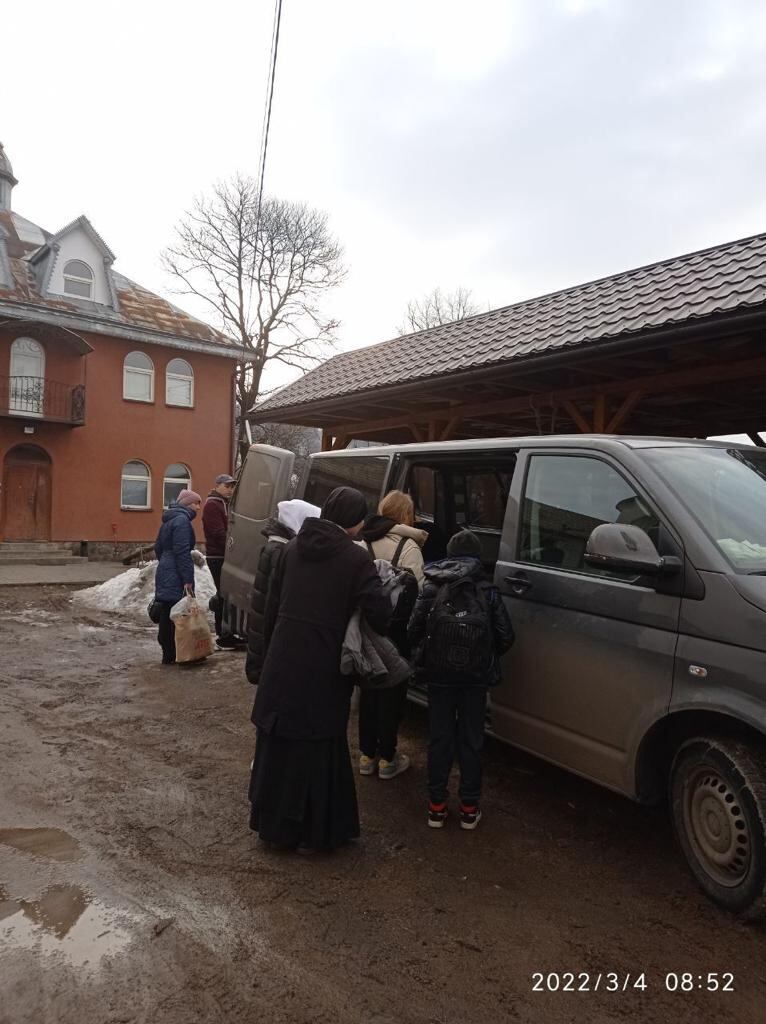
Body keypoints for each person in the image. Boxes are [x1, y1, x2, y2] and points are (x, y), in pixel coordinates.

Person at [249, 486, 390, 851]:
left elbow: (273, 610)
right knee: (316, 748)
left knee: (280, 745)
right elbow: (380, 615)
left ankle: (276, 830)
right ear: (356, 522)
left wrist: (266, 660)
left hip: (283, 660)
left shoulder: (293, 547)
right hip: (323, 667)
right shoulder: (356, 560)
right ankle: (315, 834)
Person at [408, 529, 514, 831]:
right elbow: (506, 637)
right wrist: (484, 654)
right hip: (475, 680)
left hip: (439, 677)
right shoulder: (488, 590)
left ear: (450, 553)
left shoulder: (432, 584)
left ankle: (436, 808)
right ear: (478, 556)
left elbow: (413, 630)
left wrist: (429, 654)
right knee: (471, 740)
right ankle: (469, 808)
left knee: (440, 739)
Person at [356, 490, 427, 779]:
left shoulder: (362, 543)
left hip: (367, 630)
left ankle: (365, 756)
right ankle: (387, 759)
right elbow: (420, 592)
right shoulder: (410, 547)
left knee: (369, 695)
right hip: (397, 634)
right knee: (392, 697)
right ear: (406, 515)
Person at [245, 498, 321, 686]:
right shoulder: (281, 552)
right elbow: (273, 603)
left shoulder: (275, 546)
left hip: (265, 633)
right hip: (269, 638)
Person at [154, 489, 202, 665]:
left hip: (166, 568)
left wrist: (165, 562)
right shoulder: (182, 521)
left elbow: (157, 547)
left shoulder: (169, 519)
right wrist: (187, 579)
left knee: (168, 611)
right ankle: (179, 653)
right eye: (197, 503)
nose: (198, 507)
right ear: (188, 504)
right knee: (179, 613)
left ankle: (168, 654)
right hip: (175, 570)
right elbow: (182, 552)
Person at [202, 473, 238, 650]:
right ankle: (223, 635)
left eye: (232, 486)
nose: (230, 489)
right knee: (223, 594)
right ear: (217, 485)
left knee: (228, 595)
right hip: (218, 556)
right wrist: (233, 548)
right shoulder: (212, 505)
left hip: (224, 555)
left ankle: (228, 633)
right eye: (227, 486)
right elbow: (218, 533)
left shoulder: (225, 504)